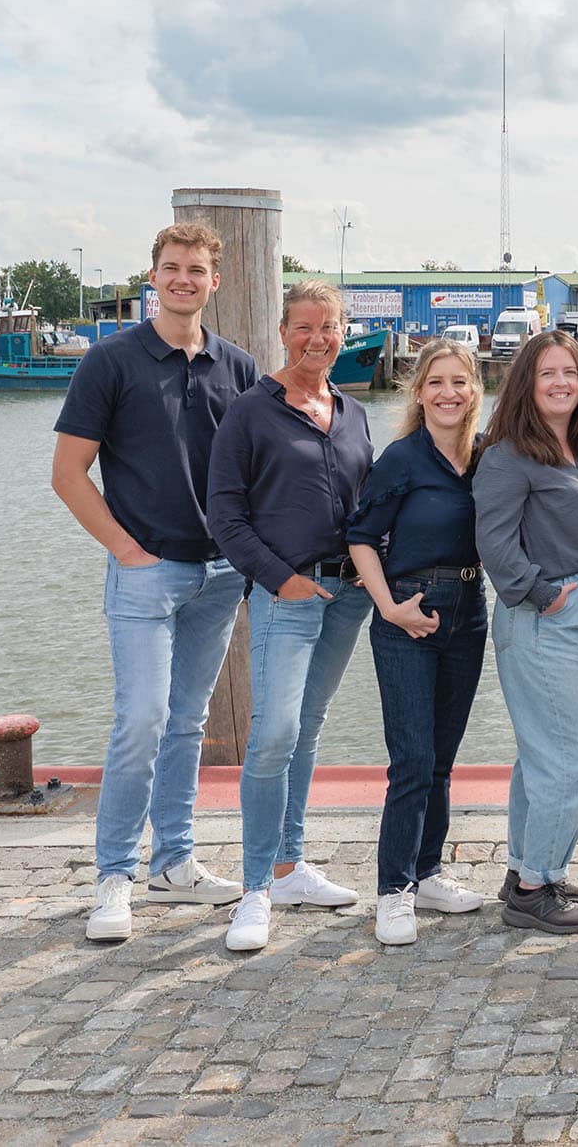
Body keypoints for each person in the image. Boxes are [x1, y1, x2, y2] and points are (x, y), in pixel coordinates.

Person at [53, 223, 257, 943]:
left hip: (220, 574)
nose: (183, 279)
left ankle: (174, 861)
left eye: (196, 269)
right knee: (140, 717)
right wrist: (122, 547)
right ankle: (114, 874)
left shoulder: (238, 367)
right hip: (146, 571)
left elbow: (261, 469)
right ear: (153, 277)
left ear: (214, 281)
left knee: (186, 722)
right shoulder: (110, 363)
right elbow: (67, 474)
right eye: (171, 268)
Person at [207, 280, 375, 953]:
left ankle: (290, 866)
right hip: (287, 596)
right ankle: (253, 888)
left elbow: (371, 502)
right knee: (273, 734)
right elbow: (224, 515)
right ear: (282, 331)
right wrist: (283, 581)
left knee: (307, 729)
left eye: (328, 326)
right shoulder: (250, 412)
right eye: (304, 326)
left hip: (348, 597)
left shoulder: (354, 411)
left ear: (342, 331)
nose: (317, 338)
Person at [473, 329, 578, 935]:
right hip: (542, 614)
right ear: (526, 385)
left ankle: (525, 868)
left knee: (541, 750)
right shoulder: (509, 454)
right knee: (571, 754)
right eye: (547, 373)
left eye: (570, 372)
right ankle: (535, 889)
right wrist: (541, 592)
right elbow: (495, 544)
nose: (561, 382)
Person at [345, 340, 489, 947]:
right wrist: (389, 608)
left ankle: (429, 871)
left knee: (441, 761)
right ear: (418, 392)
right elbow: (360, 536)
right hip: (409, 611)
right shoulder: (402, 459)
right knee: (410, 760)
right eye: (435, 383)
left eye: (459, 382)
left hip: (470, 613)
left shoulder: (486, 460)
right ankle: (393, 889)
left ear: (475, 390)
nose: (448, 393)